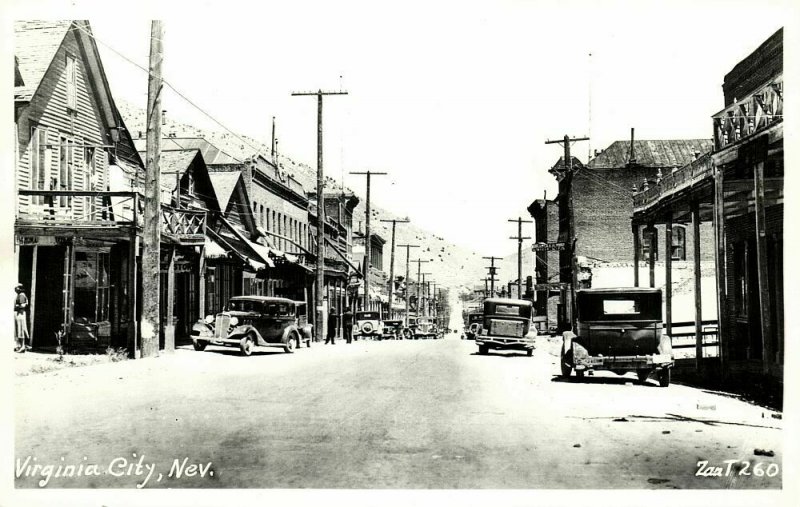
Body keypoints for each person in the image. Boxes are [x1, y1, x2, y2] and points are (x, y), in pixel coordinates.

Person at [14, 283, 29, 353]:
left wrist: (17, 306)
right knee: (19, 330)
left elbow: (23, 305)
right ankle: (20, 346)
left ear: (20, 288)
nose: (15, 289)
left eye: (16, 287)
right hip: (19, 313)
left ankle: (23, 346)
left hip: (21, 314)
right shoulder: (19, 295)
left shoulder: (21, 295)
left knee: (21, 330)